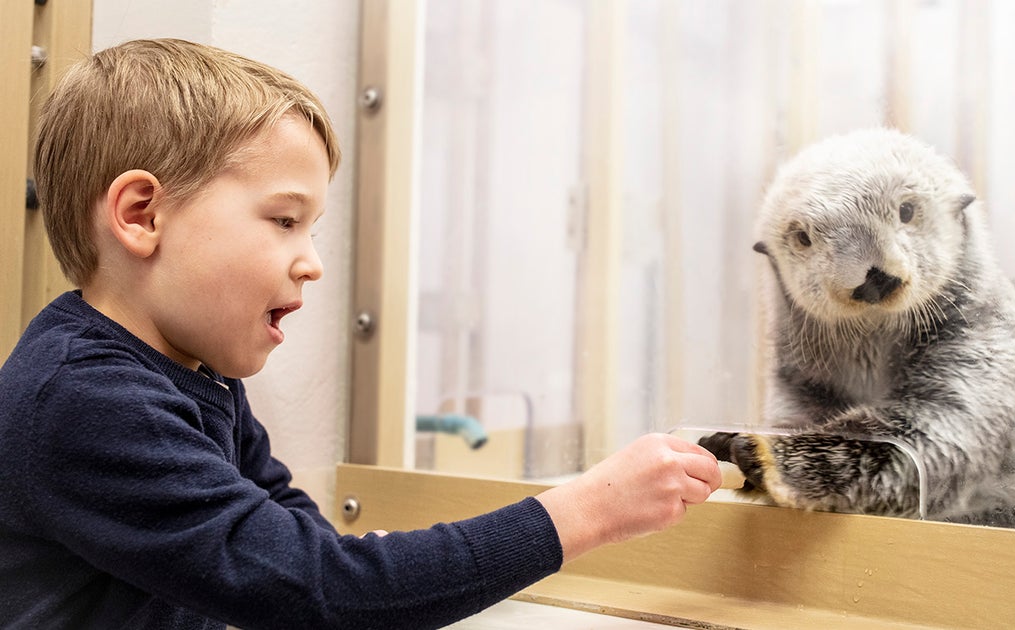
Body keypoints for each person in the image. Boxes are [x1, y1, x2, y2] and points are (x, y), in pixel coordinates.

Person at [0, 38, 722, 630]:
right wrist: (586, 510)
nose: (311, 262)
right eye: (285, 220)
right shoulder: (84, 398)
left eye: (310, 229)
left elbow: (301, 550)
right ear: (142, 215)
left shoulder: (196, 376)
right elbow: (321, 592)